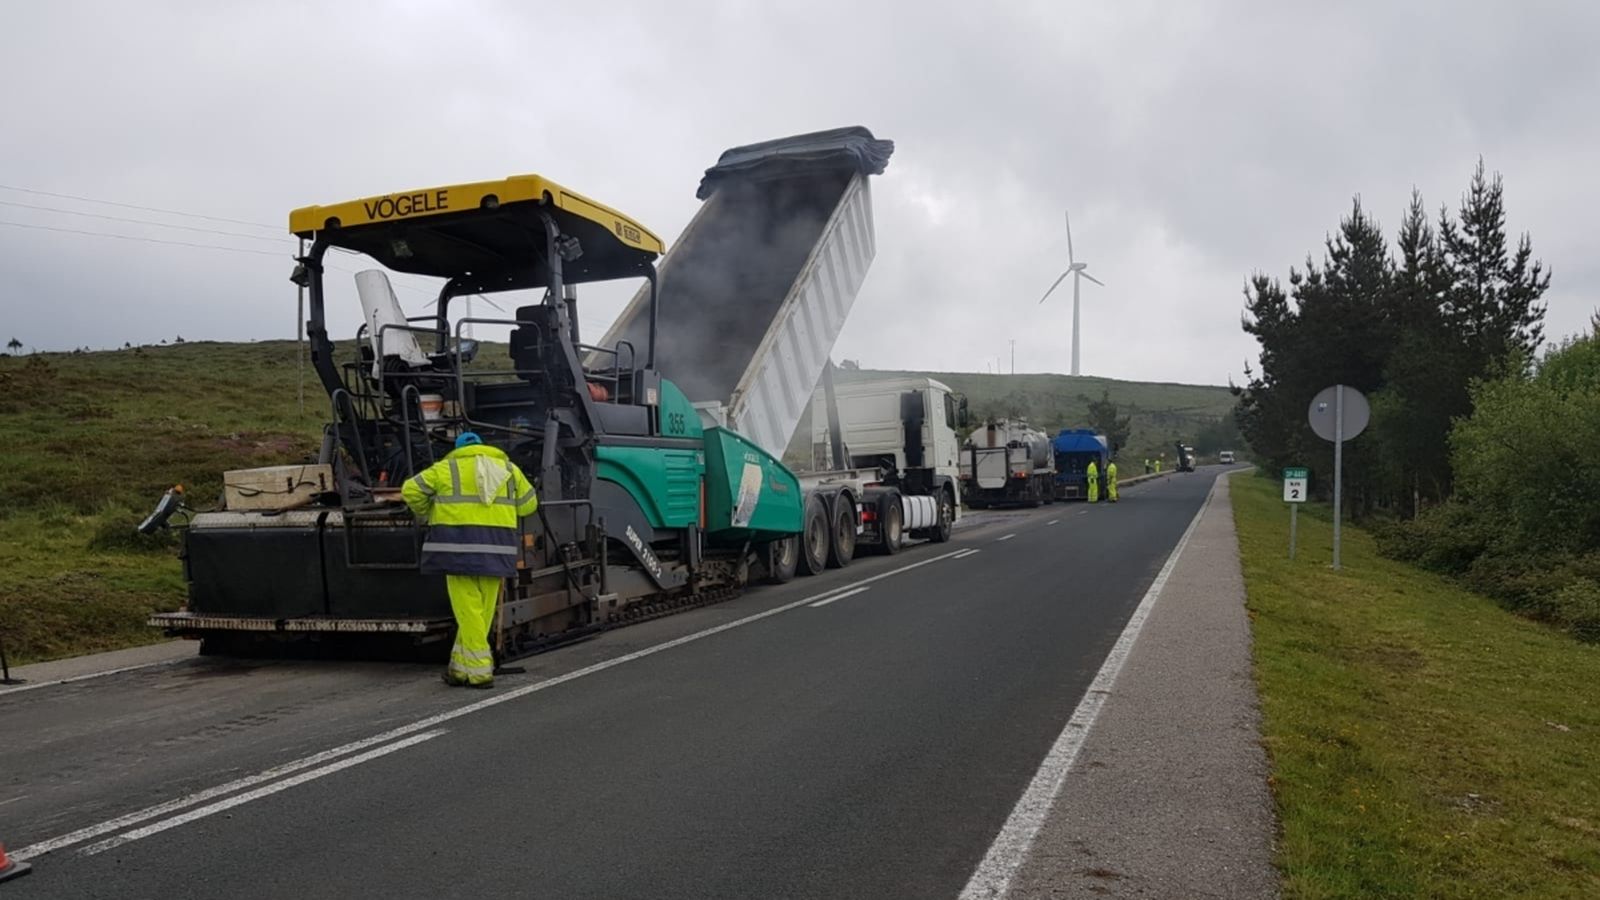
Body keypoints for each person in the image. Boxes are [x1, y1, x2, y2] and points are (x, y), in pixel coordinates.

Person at [402, 432, 538, 688]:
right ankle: (459, 669)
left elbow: (410, 490)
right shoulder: (508, 469)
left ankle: (478, 672)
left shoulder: (445, 468)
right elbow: (529, 505)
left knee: (468, 612)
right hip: (496, 550)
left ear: (458, 448)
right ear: (483, 447)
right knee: (481, 613)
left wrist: (427, 511)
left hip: (457, 550)